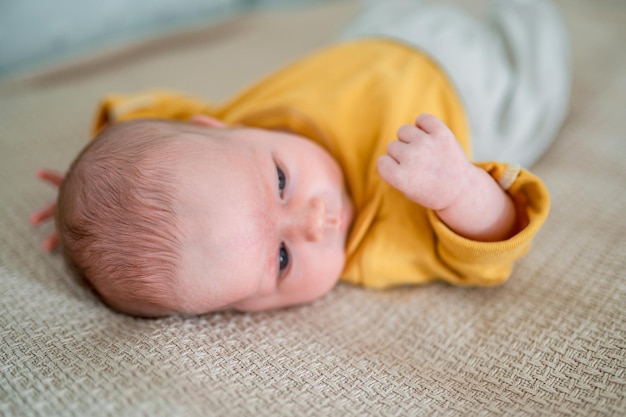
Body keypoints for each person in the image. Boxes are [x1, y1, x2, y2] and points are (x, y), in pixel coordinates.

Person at [31, 0, 570, 317]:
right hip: (480, 96)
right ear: (252, 308)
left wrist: (86, 194)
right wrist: (457, 189)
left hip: (380, 36)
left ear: (215, 125)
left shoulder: (230, 122)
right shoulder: (380, 244)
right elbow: (494, 245)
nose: (317, 219)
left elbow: (144, 125)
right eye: (283, 260)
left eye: (282, 181)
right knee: (539, 47)